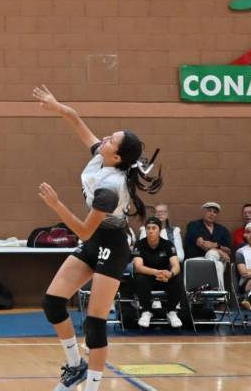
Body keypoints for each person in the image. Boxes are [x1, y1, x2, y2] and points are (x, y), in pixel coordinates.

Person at [32, 85, 162, 391]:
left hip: (112, 245)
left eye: (111, 140)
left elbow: (83, 230)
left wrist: (56, 205)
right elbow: (77, 122)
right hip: (94, 241)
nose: (104, 138)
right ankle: (75, 365)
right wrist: (57, 106)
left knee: (95, 323)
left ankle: (92, 387)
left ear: (116, 156)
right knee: (52, 303)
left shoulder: (111, 188)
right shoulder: (101, 158)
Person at [132, 217, 184, 328]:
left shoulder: (168, 244)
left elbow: (176, 266)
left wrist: (170, 274)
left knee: (178, 278)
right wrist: (156, 272)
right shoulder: (139, 244)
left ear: (159, 230)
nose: (150, 231)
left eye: (154, 228)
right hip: (148, 277)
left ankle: (171, 311)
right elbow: (138, 267)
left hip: (164, 278)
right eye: (148, 228)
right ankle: (146, 311)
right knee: (139, 278)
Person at [184, 202, 232, 289]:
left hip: (219, 259)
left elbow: (228, 250)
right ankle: (218, 291)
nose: (212, 214)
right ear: (203, 212)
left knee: (215, 257)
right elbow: (201, 243)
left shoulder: (222, 230)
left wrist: (217, 246)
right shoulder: (194, 225)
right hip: (197, 259)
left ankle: (212, 289)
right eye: (209, 211)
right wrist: (219, 250)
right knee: (215, 258)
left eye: (214, 212)